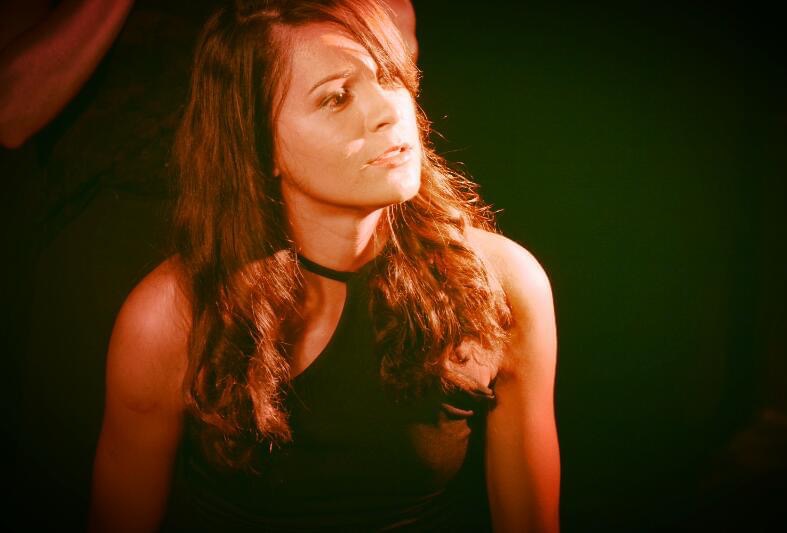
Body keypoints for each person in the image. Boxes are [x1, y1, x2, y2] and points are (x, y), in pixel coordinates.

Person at [88, 0, 560, 531]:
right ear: (260, 142)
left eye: (389, 76)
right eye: (336, 97)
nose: (387, 111)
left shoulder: (500, 284)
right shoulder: (171, 318)